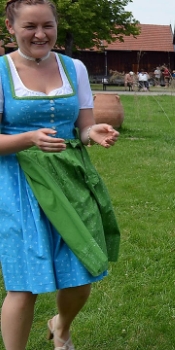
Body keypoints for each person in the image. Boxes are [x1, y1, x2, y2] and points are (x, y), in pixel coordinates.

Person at [0, 1, 121, 349]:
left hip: (71, 180)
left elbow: (82, 127)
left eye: (48, 25)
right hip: (19, 186)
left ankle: (62, 326)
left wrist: (92, 133)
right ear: (11, 27)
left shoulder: (75, 68)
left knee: (80, 274)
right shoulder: (1, 71)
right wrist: (28, 139)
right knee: (23, 286)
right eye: (29, 26)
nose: (40, 34)